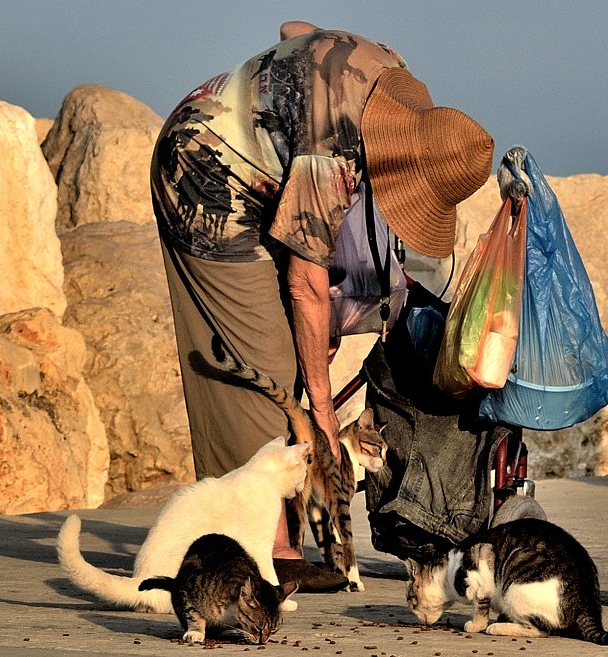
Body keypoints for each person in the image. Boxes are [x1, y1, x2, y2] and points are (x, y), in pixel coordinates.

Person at [151, 22, 494, 591]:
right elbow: (307, 286)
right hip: (201, 176)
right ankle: (271, 555)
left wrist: (281, 94)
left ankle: (266, 540)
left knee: (292, 352)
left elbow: (298, 31)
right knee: (265, 373)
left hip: (262, 167)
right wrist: (326, 413)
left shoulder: (391, 73)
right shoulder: (329, 152)